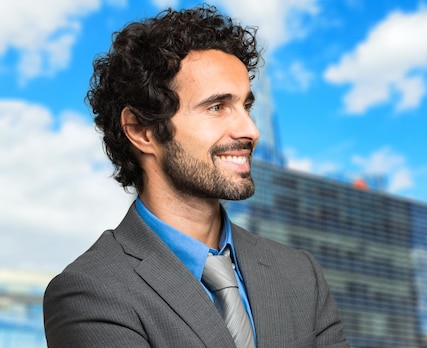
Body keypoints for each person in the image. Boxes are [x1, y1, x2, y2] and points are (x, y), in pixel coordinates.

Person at [43, 5, 349, 348]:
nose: (250, 130)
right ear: (142, 131)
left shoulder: (300, 274)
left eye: (245, 106)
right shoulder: (91, 292)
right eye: (217, 107)